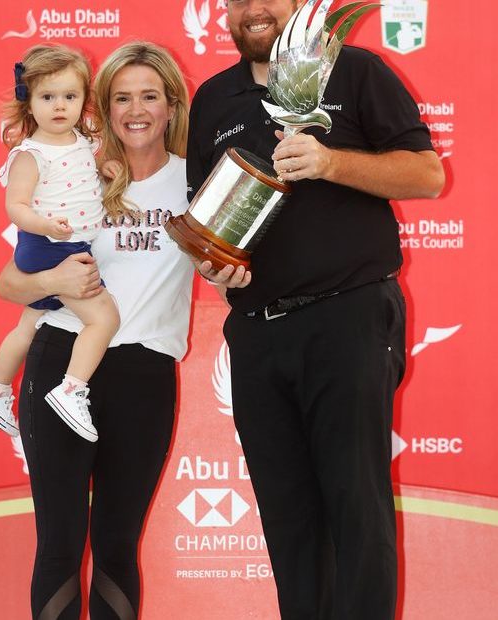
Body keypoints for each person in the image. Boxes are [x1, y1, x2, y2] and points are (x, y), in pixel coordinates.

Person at [187, 1, 445, 618]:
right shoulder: (212, 100)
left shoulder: (354, 71)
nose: (253, 10)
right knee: (288, 520)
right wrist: (213, 265)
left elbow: (428, 174)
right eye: (238, 0)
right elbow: (206, 220)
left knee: (357, 510)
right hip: (255, 332)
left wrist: (329, 162)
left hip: (348, 317)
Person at [0, 42, 193, 619]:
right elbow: (10, 284)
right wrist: (52, 277)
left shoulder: (197, 180)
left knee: (115, 546)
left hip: (146, 375)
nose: (136, 109)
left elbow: (229, 271)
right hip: (61, 360)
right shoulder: (73, 167)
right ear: (101, 107)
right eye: (121, 97)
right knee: (58, 545)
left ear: (171, 105)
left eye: (150, 96)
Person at [0, 44, 119, 442]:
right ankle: (72, 389)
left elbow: (84, 180)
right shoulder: (30, 154)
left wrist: (103, 168)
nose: (59, 106)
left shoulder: (82, 141)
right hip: (52, 246)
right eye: (47, 97)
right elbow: (15, 206)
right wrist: (46, 224)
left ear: (83, 100)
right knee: (103, 319)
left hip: (63, 243)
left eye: (69, 97)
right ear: (29, 102)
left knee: (30, 323)